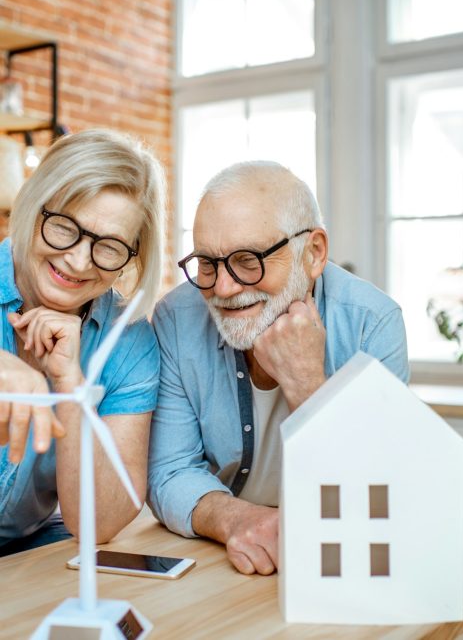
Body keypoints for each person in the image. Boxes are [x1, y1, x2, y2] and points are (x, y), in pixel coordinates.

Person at [147, 161, 409, 576]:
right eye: (208, 263)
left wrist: (307, 382)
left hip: (339, 558)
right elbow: (170, 470)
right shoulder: (176, 318)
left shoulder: (372, 323)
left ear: (314, 252)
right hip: (223, 554)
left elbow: (376, 494)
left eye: (248, 260)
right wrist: (239, 519)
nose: (223, 288)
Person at [0, 128, 165, 555]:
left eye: (109, 247)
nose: (77, 261)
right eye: (63, 227)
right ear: (34, 209)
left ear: (134, 256)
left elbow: (99, 523)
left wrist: (70, 386)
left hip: (27, 551)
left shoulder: (129, 342)